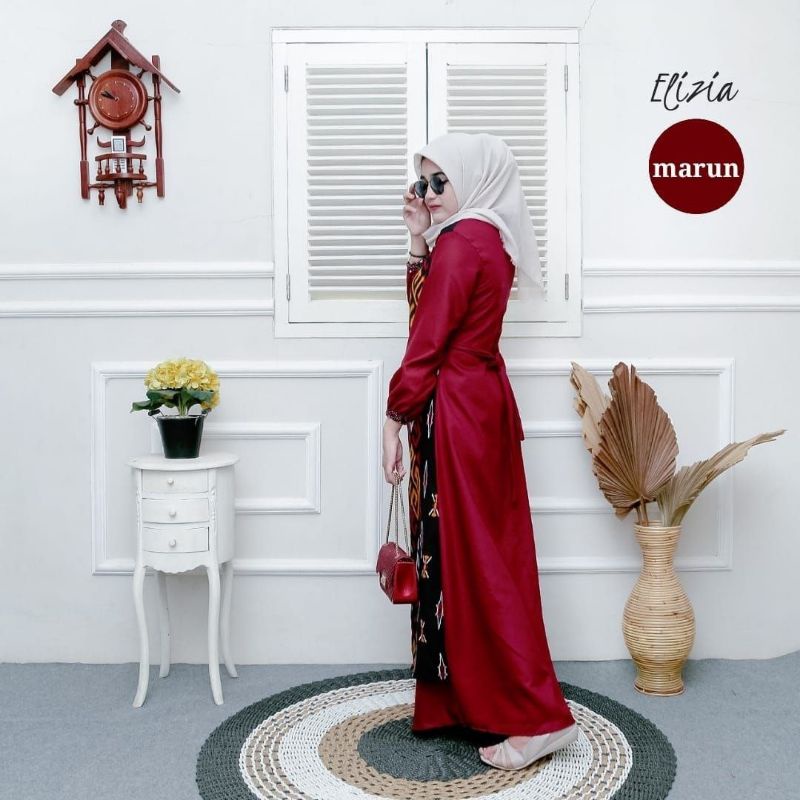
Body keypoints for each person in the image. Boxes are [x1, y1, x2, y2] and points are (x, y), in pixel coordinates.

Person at [382, 132, 579, 771]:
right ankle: (463, 703)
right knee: (478, 559)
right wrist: (419, 242)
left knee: (481, 564)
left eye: (440, 181)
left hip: (459, 411)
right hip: (480, 403)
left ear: (475, 178)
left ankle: (537, 718)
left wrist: (394, 415)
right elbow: (435, 321)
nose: (428, 194)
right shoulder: (488, 239)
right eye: (423, 183)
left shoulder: (463, 243)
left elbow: (425, 341)